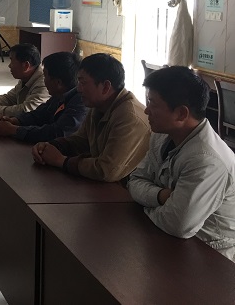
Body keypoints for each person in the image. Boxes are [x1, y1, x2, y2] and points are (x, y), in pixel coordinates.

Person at [128, 66, 235, 261]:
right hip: (168, 241)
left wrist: (145, 204)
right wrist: (161, 196)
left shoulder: (207, 160)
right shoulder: (162, 136)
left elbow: (177, 224)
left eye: (153, 104)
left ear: (181, 114)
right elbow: (134, 180)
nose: (146, 110)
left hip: (210, 257)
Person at [31, 53, 150, 182]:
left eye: (83, 83)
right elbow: (80, 141)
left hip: (125, 189)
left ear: (105, 87)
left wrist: (61, 161)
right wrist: (50, 146)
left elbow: (106, 170)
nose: (78, 89)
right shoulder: (99, 106)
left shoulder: (129, 117)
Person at [0, 51, 87, 143]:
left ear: (58, 83)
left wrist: (13, 130)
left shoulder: (81, 102)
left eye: (45, 76)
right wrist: (14, 121)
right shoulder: (59, 95)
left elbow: (56, 133)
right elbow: (39, 114)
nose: (44, 81)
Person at [0, 43, 49, 117]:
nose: (9, 66)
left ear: (26, 65)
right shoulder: (27, 77)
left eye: (12, 61)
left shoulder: (44, 83)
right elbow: (9, 98)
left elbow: (25, 111)